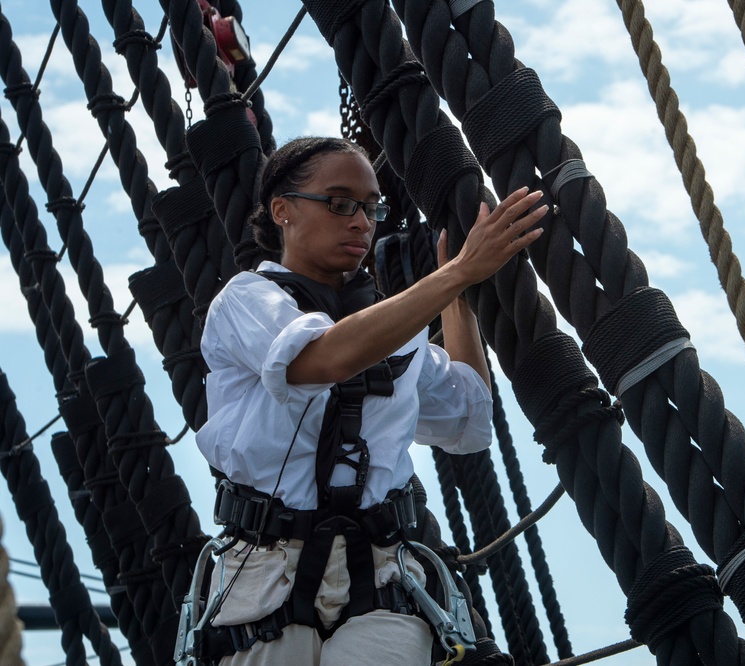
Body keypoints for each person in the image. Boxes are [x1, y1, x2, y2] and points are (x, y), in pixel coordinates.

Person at [193, 136, 546, 666]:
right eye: (339, 203)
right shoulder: (246, 301)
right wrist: (455, 274)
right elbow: (323, 359)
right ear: (282, 210)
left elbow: (468, 420)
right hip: (266, 577)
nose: (361, 221)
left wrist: (459, 297)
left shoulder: (396, 333)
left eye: (370, 207)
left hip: (381, 576)